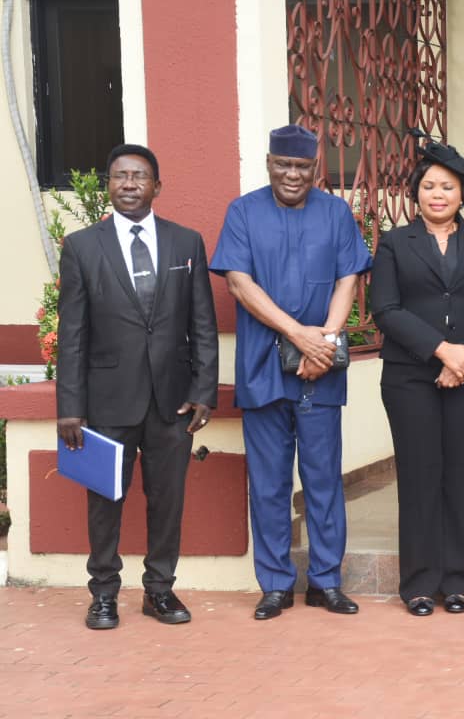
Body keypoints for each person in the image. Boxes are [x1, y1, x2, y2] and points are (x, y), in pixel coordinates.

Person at [210, 125, 372, 620]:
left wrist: (322, 339)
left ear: (315, 168)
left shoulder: (336, 212)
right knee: (270, 482)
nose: (293, 175)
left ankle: (326, 581)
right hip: (263, 365)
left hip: (320, 367)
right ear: (268, 163)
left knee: (323, 479)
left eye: (302, 167)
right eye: (284, 165)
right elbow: (239, 283)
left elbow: (349, 277)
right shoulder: (243, 212)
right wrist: (297, 334)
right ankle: (276, 584)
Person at [57, 143, 219, 630]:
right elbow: (73, 333)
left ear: (157, 187)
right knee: (105, 501)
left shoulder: (185, 243)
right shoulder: (83, 246)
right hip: (107, 401)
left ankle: (160, 591)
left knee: (168, 501)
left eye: (139, 176)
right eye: (119, 177)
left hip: (172, 401)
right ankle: (103, 594)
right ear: (108, 185)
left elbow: (203, 324)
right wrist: (70, 406)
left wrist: (204, 389)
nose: (129, 184)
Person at [371, 135, 464, 616]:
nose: (438, 194)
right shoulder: (394, 243)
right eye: (429, 186)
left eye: (447, 187)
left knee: (461, 476)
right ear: (416, 193)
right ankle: (418, 583)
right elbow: (385, 309)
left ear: (462, 195)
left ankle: (458, 581)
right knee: (419, 476)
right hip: (410, 377)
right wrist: (441, 351)